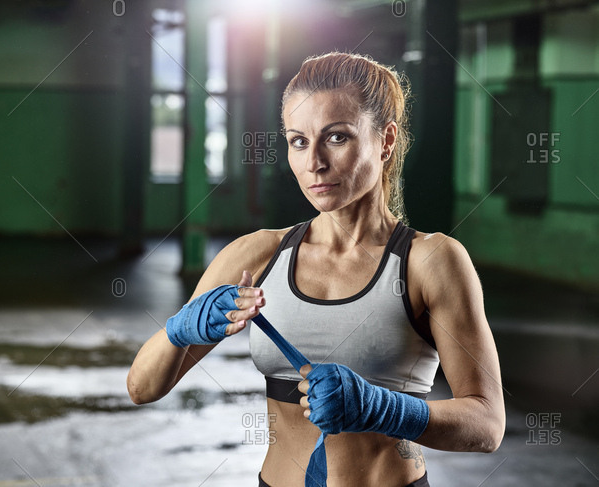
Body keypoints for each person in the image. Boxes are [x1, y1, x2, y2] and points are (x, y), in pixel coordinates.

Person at [127, 52, 505, 487]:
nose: (314, 163)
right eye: (298, 141)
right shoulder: (256, 256)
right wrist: (180, 330)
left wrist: (382, 408)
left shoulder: (430, 261)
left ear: (385, 141)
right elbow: (142, 388)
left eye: (337, 138)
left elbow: (487, 425)